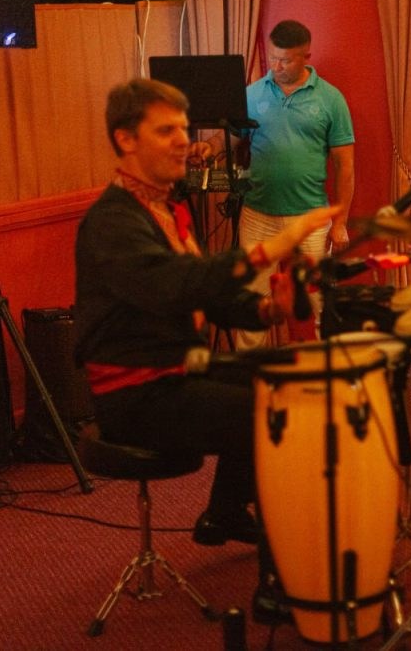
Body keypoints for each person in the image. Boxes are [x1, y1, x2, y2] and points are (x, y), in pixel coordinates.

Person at [75, 77, 338, 621]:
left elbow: (208, 294)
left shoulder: (166, 208)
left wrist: (267, 310)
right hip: (136, 393)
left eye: (182, 128)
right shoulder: (113, 221)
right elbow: (175, 286)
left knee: (286, 377)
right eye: (166, 130)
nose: (183, 140)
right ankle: (279, 584)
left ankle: (224, 512)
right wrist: (274, 247)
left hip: (175, 370)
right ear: (126, 139)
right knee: (274, 412)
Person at [193, 19, 355, 348]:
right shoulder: (252, 94)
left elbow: (345, 165)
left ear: (306, 57)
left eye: (286, 60)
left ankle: (332, 366)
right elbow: (230, 139)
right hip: (258, 214)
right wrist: (209, 147)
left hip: (310, 216)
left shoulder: (331, 99)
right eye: (273, 58)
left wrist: (340, 222)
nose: (277, 66)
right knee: (253, 300)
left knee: (320, 301)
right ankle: (250, 371)